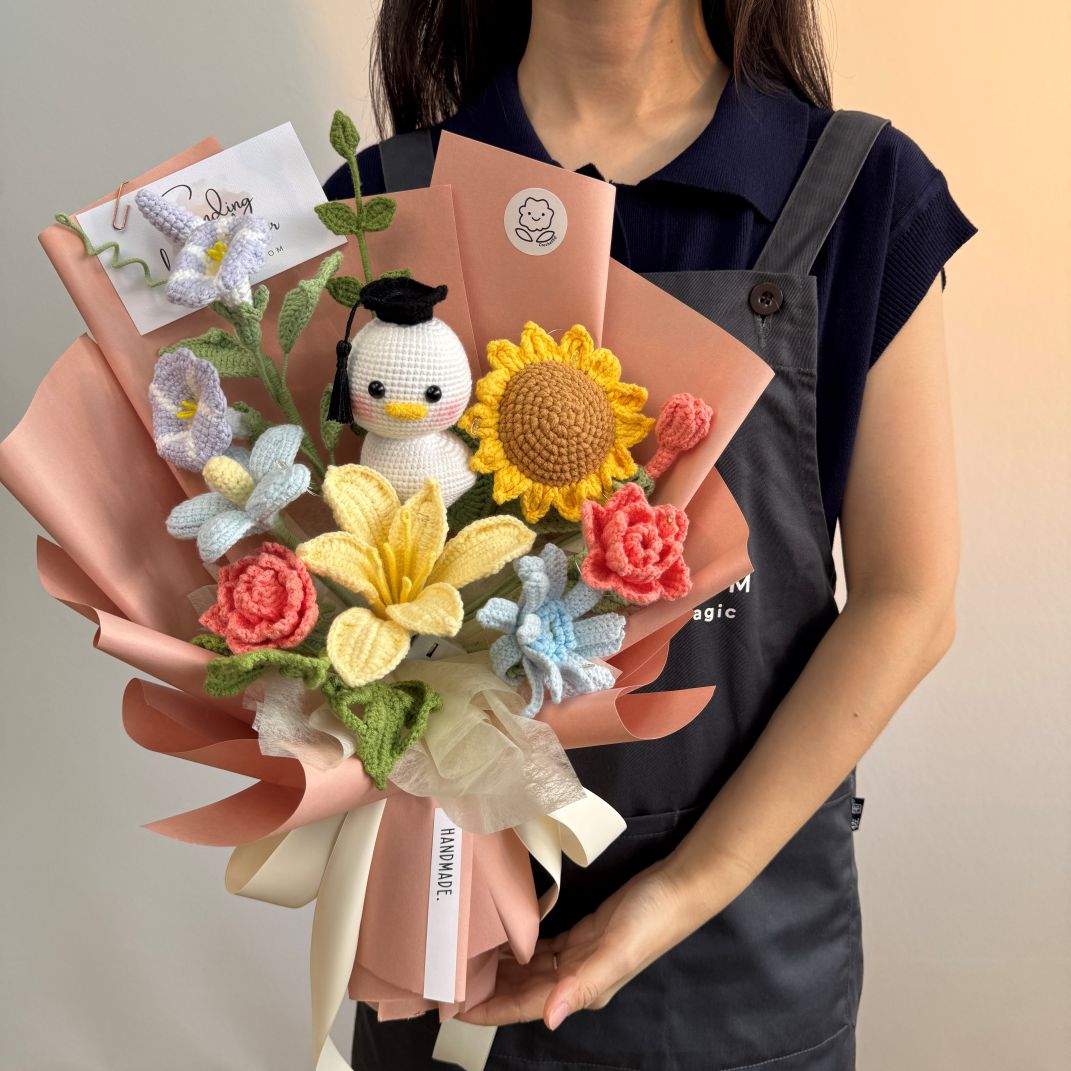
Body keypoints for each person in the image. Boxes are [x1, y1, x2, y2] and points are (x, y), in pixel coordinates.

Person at [324, 2, 975, 1068]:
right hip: (448, 940)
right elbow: (345, 584)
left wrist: (682, 890)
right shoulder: (383, 202)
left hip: (745, 956)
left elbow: (913, 599)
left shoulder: (861, 193)